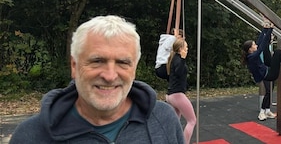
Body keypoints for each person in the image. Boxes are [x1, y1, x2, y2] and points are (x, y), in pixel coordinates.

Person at [9, 15, 185, 144]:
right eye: (97, 61)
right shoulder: (31, 136)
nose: (109, 75)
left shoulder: (164, 119)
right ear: (74, 66)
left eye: (122, 62)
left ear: (134, 69)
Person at [242, 17, 281, 121]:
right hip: (269, 74)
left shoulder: (252, 54)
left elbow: (260, 41)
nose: (256, 45)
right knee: (278, 53)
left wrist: (264, 29)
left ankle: (267, 111)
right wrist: (271, 29)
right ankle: (262, 112)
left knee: (268, 92)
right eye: (254, 45)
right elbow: (262, 45)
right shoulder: (253, 56)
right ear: (250, 49)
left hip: (265, 73)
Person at [166, 38, 196, 144]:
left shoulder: (173, 58)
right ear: (180, 49)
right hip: (177, 95)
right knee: (192, 121)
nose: (187, 49)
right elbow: (179, 72)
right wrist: (183, 59)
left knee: (175, 122)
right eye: (186, 47)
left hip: (171, 95)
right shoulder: (178, 59)